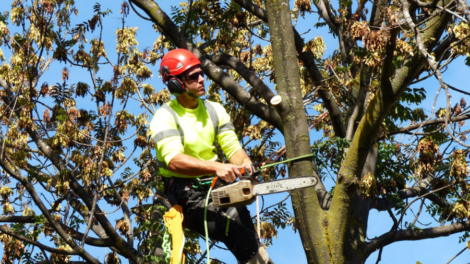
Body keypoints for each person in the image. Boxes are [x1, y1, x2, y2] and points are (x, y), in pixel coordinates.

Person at [150, 48, 273, 264]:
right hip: (186, 197)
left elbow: (233, 148)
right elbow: (174, 161)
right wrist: (216, 167)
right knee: (236, 233)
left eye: (201, 74)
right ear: (176, 84)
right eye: (193, 76)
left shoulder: (214, 110)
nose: (201, 79)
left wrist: (245, 164)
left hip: (216, 187)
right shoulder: (165, 117)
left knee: (251, 240)